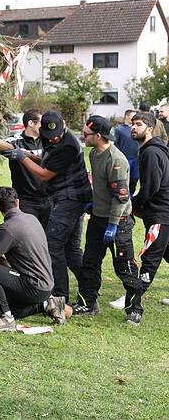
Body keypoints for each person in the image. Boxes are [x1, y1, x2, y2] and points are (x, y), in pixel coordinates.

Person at [2, 111, 92, 312]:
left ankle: (60, 296)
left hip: (71, 199)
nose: (54, 139)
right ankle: (89, 293)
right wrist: (25, 154)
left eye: (57, 135)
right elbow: (44, 158)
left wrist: (21, 158)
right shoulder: (49, 137)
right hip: (63, 198)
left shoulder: (68, 145)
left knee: (53, 246)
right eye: (50, 136)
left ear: (64, 125)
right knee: (70, 249)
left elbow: (44, 174)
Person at [74, 116, 137, 320]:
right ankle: (87, 303)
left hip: (118, 222)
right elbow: (101, 186)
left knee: (124, 267)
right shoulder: (94, 154)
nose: (83, 137)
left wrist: (112, 225)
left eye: (86, 134)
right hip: (98, 219)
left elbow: (121, 197)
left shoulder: (115, 160)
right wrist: (94, 203)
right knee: (90, 263)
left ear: (99, 136)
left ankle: (134, 309)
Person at [0, 187, 60, 332]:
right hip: (47, 285)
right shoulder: (32, 219)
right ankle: (44, 304)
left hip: (32, 285)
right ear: (17, 202)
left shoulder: (8, 228)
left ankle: (6, 319)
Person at [130, 112, 169, 324]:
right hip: (162, 213)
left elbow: (151, 187)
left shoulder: (151, 152)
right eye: (132, 124)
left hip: (160, 214)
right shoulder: (151, 150)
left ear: (150, 129)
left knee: (150, 260)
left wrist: (133, 204)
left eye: (138, 124)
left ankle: (134, 306)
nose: (133, 128)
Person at [7, 109, 50, 231]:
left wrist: (23, 154)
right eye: (42, 122)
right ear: (31, 123)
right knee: (28, 236)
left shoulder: (48, 141)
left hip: (49, 199)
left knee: (49, 238)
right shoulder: (14, 141)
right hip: (26, 202)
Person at [114, 109, 140, 195]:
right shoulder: (119, 129)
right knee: (123, 181)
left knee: (134, 180)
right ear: (127, 116)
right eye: (133, 116)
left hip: (136, 159)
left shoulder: (137, 129)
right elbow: (116, 145)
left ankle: (131, 197)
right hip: (125, 159)